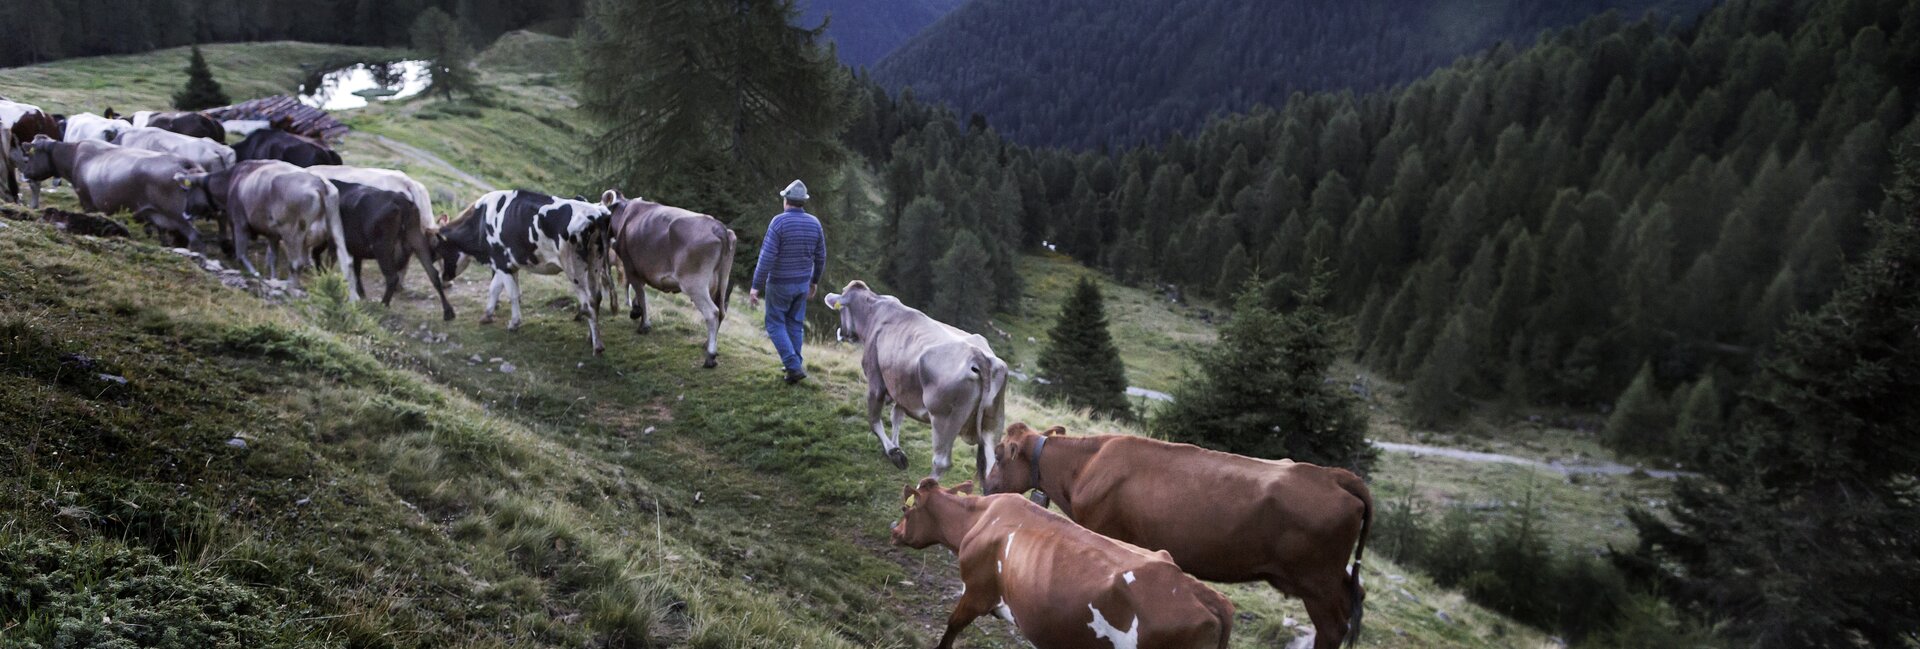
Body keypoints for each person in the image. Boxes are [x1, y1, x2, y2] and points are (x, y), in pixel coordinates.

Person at [750, 179, 826, 384]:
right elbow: (821, 257)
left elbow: (766, 258)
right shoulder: (814, 223)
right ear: (803, 202)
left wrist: (756, 286)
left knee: (774, 323)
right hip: (802, 284)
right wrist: (814, 281)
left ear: (786, 201)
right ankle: (795, 366)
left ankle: (793, 365)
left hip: (779, 284)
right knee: (795, 323)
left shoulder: (779, 222)